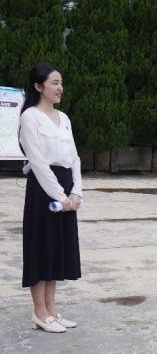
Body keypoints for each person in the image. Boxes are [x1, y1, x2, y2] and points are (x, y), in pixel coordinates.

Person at [18, 63, 83, 334]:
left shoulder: (64, 118)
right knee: (41, 248)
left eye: (61, 82)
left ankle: (52, 310)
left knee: (57, 249)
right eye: (55, 83)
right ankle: (40, 312)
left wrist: (76, 191)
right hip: (43, 189)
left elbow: (74, 158)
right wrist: (61, 196)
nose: (60, 88)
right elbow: (38, 162)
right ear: (38, 86)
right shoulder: (30, 117)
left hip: (65, 186)